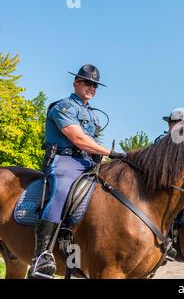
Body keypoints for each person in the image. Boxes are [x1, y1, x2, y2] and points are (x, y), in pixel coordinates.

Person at [28, 64, 126, 279]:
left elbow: (92, 143)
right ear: (76, 82)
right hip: (65, 161)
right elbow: (78, 139)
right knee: (63, 188)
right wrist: (111, 152)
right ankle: (41, 256)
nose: (92, 87)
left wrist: (103, 158)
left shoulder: (94, 116)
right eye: (88, 82)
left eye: (95, 85)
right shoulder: (63, 107)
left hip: (87, 163)